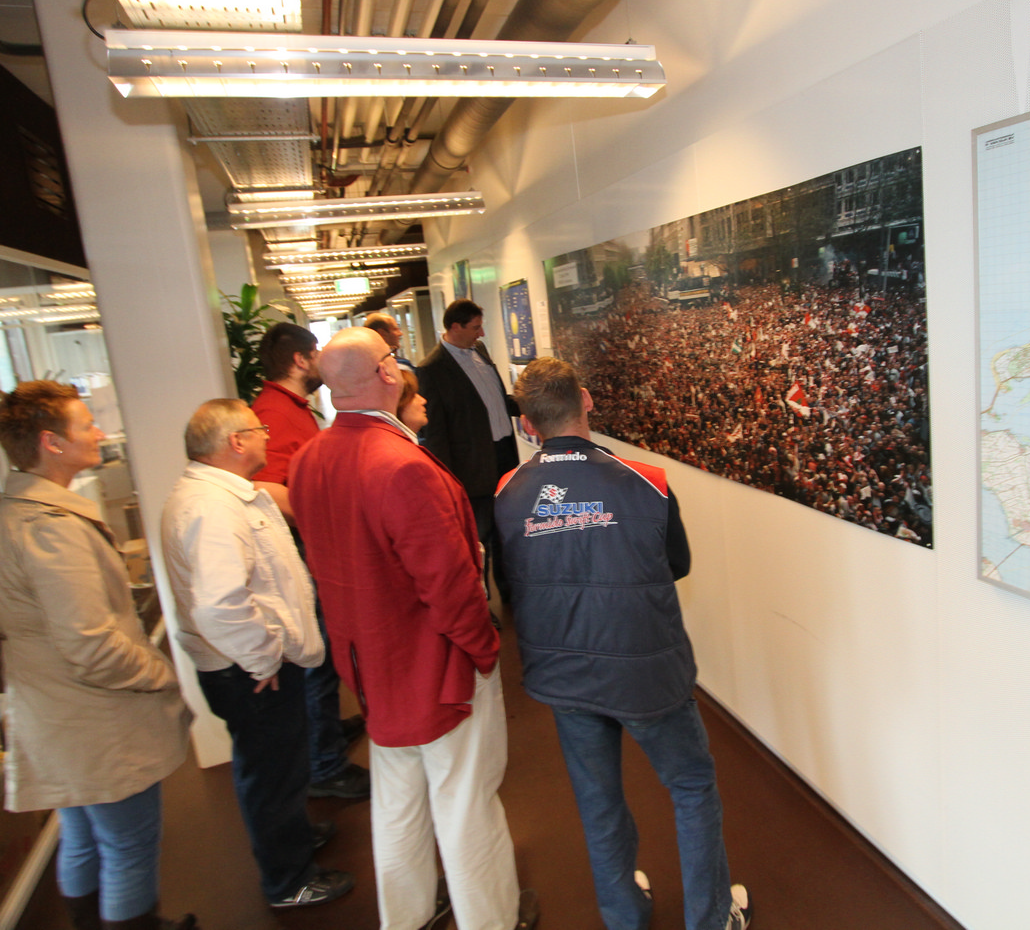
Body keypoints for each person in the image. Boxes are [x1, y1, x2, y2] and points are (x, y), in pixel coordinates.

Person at [288, 326, 535, 930]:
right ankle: (492, 920)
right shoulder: (400, 464)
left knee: (398, 800)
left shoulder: (309, 459)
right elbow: (448, 584)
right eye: (391, 359)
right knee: (465, 800)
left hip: (369, 664)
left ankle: (409, 916)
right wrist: (483, 649)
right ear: (385, 373)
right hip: (434, 664)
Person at [494, 358, 751, 930]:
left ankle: (624, 915)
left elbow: (515, 578)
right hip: (646, 670)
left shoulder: (508, 491)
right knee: (691, 786)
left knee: (598, 798)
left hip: (564, 673)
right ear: (586, 400)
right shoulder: (647, 481)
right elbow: (677, 564)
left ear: (528, 424)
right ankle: (711, 919)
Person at [0, 382, 194, 930]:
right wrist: (159, 672)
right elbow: (91, 646)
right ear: (51, 442)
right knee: (127, 844)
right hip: (92, 719)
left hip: (57, 714)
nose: (98, 432)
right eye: (86, 424)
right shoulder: (52, 529)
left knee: (83, 835)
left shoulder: (13, 515)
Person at [159, 399, 355, 909]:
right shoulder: (213, 507)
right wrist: (264, 658)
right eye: (259, 428)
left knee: (280, 765)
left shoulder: (218, 496)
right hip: (250, 670)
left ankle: (291, 839)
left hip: (246, 664)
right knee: (270, 772)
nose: (267, 435)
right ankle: (289, 880)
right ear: (235, 442)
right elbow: (220, 604)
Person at [250, 322, 370, 801]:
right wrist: (318, 522)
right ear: (300, 360)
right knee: (316, 656)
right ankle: (324, 765)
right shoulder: (274, 413)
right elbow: (265, 487)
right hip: (301, 551)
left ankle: (328, 734)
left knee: (323, 652)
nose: (320, 359)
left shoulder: (291, 408)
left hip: (308, 548)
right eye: (316, 352)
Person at [415, 299, 519, 598]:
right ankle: (480, 602)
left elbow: (496, 401)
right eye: (475, 327)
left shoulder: (480, 351)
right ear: (455, 327)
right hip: (472, 469)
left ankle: (510, 592)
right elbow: (436, 433)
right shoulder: (431, 369)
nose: (481, 333)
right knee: (479, 537)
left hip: (505, 455)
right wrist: (448, 480)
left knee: (507, 529)